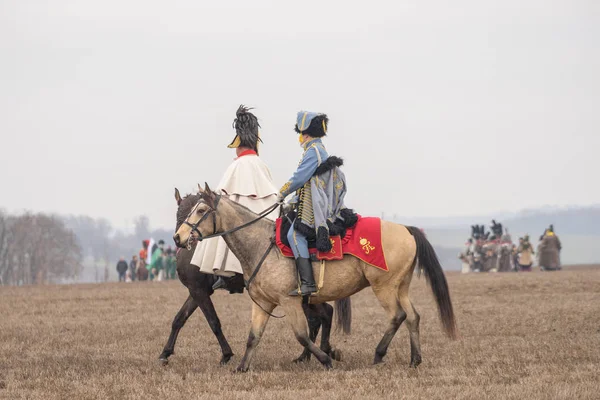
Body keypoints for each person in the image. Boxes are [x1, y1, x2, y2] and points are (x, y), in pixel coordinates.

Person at [191, 105, 278, 293]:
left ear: (239, 141)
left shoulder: (237, 166)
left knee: (222, 217)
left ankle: (228, 273)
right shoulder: (261, 165)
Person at [278, 111, 356, 296]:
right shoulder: (318, 149)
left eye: (301, 134)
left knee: (294, 236)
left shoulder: (313, 152)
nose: (300, 138)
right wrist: (293, 201)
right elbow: (308, 184)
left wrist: (280, 193)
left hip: (315, 208)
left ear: (305, 133)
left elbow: (299, 178)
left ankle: (308, 284)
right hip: (309, 202)